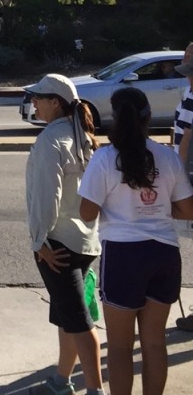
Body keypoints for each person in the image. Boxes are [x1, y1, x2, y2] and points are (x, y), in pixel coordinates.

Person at [78, 86, 193, 395]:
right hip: (164, 254)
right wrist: (153, 206)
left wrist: (121, 204)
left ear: (115, 118)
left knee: (118, 347)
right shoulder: (167, 156)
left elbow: (87, 212)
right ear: (149, 117)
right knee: (155, 343)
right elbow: (187, 209)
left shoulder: (104, 158)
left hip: (123, 257)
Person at [23, 73, 104, 395]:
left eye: (38, 98)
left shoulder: (51, 141)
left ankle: (95, 390)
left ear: (54, 103)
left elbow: (46, 197)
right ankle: (60, 380)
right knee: (66, 316)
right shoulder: (81, 134)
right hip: (85, 240)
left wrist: (39, 242)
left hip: (58, 245)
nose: (34, 103)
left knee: (80, 323)